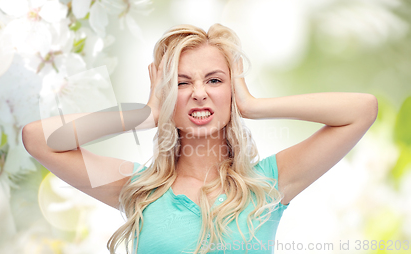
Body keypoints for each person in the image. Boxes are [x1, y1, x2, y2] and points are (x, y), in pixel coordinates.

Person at [22, 23, 378, 254]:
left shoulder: (268, 183)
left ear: (232, 90)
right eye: (181, 82)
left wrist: (252, 105)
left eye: (214, 80)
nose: (198, 94)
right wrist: (146, 114)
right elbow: (38, 137)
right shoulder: (141, 188)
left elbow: (362, 110)